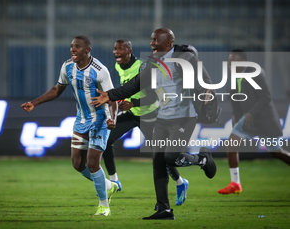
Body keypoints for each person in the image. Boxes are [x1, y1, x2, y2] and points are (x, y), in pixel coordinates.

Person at [91, 28, 217, 220]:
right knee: (158, 161)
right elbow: (137, 85)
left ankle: (202, 159)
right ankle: (164, 209)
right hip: (163, 118)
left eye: (155, 40)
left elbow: (204, 82)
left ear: (168, 43)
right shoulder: (153, 62)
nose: (151, 44)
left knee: (171, 157)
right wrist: (111, 95)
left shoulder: (184, 58)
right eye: (151, 40)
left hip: (184, 117)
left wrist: (207, 97)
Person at [21, 35, 118, 216]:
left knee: (92, 162)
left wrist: (112, 118)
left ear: (87, 50)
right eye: (72, 46)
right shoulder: (67, 67)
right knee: (77, 164)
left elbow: (112, 98)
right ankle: (108, 185)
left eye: (78, 47)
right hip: (81, 120)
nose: (73, 49)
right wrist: (35, 103)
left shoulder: (100, 70)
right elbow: (57, 89)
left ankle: (104, 206)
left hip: (100, 121)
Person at [103, 39, 182, 206]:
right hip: (133, 114)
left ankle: (180, 182)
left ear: (129, 50)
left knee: (161, 157)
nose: (116, 52)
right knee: (106, 139)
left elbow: (155, 96)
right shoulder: (119, 66)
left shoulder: (143, 67)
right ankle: (114, 181)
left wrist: (133, 103)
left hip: (150, 115)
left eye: (120, 49)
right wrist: (126, 101)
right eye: (115, 48)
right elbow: (129, 87)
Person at [218, 49, 290, 194]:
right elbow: (235, 100)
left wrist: (251, 113)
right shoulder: (233, 77)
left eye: (235, 61)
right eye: (230, 61)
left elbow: (266, 96)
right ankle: (235, 183)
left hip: (264, 121)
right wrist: (236, 116)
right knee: (231, 144)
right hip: (247, 121)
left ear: (244, 62)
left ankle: (235, 183)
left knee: (276, 152)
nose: (231, 64)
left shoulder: (255, 72)